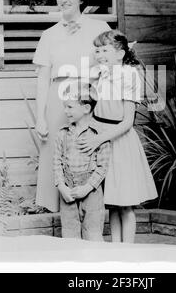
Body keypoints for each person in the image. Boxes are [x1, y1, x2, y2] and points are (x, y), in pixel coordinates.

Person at [33, 0, 110, 212]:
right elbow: (43, 78)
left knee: (89, 151)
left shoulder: (99, 28)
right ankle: (63, 221)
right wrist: (40, 117)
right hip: (59, 100)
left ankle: (93, 214)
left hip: (89, 99)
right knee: (59, 154)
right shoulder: (49, 35)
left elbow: (113, 64)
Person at [77, 30, 158, 243]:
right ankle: (115, 250)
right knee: (112, 201)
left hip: (119, 141)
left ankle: (127, 252)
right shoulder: (102, 74)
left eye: (104, 50)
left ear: (120, 54)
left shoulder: (129, 75)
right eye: (97, 50)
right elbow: (95, 107)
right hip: (101, 138)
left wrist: (98, 139)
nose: (99, 54)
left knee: (125, 203)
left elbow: (127, 122)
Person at [53, 82, 110, 241]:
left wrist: (87, 187)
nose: (65, 111)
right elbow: (56, 163)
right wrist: (62, 186)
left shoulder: (99, 135)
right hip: (68, 193)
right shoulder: (62, 134)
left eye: (70, 107)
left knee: (93, 234)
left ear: (86, 108)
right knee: (70, 235)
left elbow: (102, 167)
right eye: (65, 106)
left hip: (91, 192)